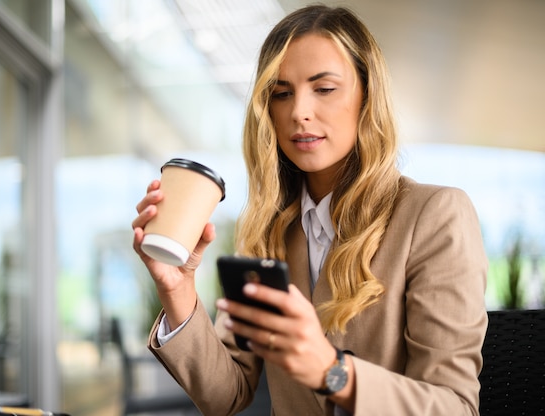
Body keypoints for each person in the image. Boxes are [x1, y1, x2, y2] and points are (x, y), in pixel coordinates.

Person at [132, 5, 487, 416]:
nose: (299, 110)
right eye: (281, 93)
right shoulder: (267, 232)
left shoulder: (435, 215)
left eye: (324, 88)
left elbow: (455, 406)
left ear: (367, 97)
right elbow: (226, 395)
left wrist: (332, 372)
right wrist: (178, 291)